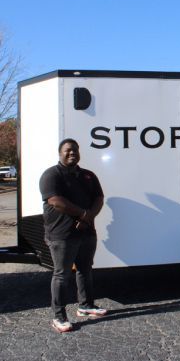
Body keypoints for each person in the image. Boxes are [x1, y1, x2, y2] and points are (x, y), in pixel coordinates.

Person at [39, 138, 107, 333]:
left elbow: (99, 198)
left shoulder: (88, 175)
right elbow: (55, 201)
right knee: (61, 275)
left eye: (75, 150)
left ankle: (86, 306)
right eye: (68, 150)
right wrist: (83, 214)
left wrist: (88, 217)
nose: (72, 153)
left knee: (85, 269)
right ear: (60, 153)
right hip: (61, 234)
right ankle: (59, 316)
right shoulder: (51, 174)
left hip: (87, 232)